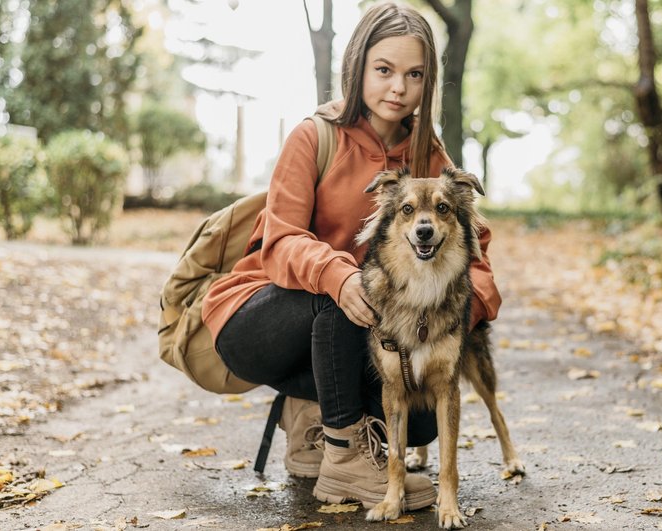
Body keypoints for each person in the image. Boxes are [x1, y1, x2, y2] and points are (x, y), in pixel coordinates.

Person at [201, 2, 501, 510]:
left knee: (424, 417)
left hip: (361, 326)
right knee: (347, 292)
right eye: (383, 70)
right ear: (358, 67)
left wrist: (454, 318)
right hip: (263, 315)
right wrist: (337, 277)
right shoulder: (314, 137)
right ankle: (342, 460)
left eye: (414, 75)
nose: (398, 88)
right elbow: (280, 242)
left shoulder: (429, 153)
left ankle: (313, 414)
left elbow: (476, 257)